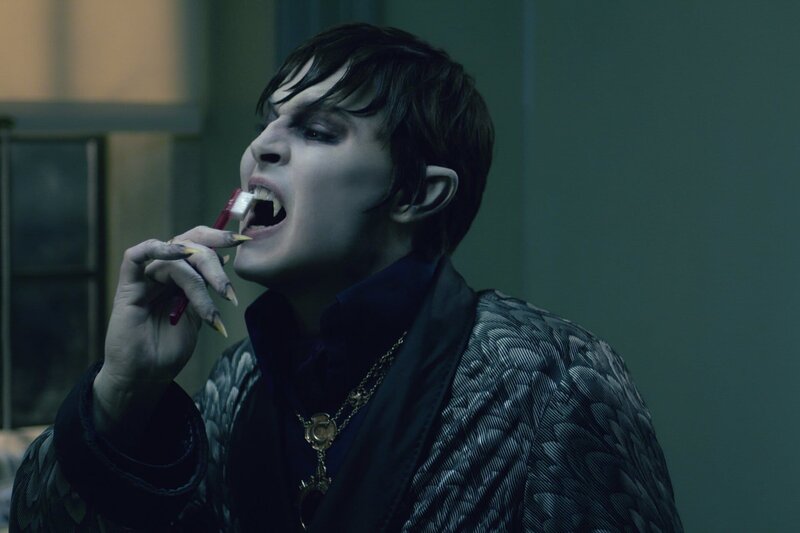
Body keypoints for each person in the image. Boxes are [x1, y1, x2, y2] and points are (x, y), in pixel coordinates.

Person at [10, 23, 682, 532]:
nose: (261, 147)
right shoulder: (237, 385)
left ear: (416, 193)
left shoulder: (551, 382)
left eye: (317, 131)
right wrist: (123, 389)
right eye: (267, 124)